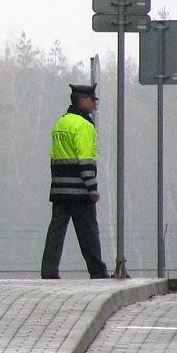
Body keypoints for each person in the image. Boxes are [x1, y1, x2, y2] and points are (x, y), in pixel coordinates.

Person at [41, 83, 110, 279]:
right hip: (80, 190)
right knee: (88, 233)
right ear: (82, 100)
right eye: (92, 99)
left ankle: (48, 272)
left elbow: (55, 158)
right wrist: (92, 187)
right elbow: (85, 158)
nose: (95, 103)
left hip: (59, 189)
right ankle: (98, 272)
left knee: (56, 233)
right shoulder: (84, 126)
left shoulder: (60, 123)